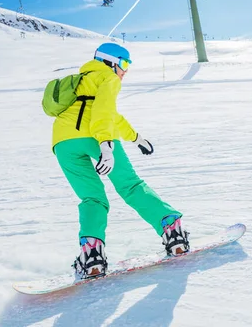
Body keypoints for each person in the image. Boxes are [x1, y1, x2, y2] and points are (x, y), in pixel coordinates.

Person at [52, 43, 190, 279]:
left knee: (92, 197)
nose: (126, 70)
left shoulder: (82, 80)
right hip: (95, 136)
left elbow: (111, 115)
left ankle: (91, 255)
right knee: (130, 185)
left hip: (63, 142)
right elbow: (103, 113)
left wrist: (136, 138)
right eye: (124, 63)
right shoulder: (108, 78)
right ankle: (172, 230)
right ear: (109, 62)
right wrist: (106, 144)